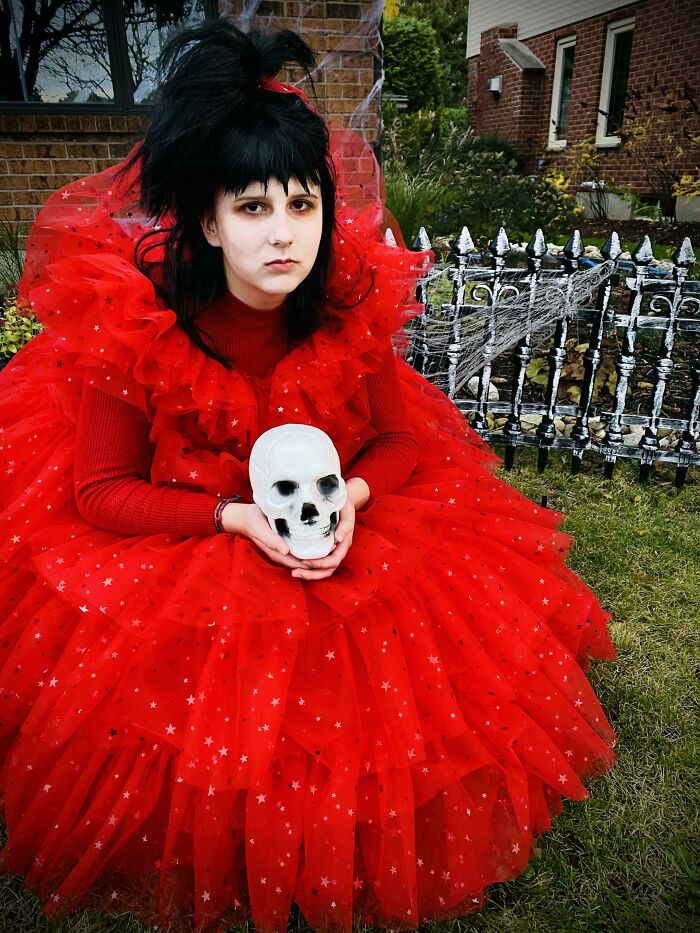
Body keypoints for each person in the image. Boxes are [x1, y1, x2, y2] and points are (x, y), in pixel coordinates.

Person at [0, 18, 617, 933]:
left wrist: (350, 502)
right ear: (206, 220)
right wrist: (236, 519)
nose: (282, 235)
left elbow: (403, 447)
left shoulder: (342, 304)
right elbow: (98, 493)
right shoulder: (132, 325)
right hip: (192, 513)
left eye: (302, 206)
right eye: (252, 209)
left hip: (329, 505)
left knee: (396, 636)